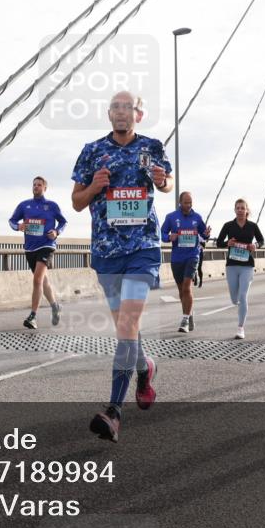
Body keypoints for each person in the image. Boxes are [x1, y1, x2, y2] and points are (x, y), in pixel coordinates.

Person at [71, 91, 173, 442]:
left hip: (142, 247)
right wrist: (94, 187)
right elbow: (76, 202)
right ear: (109, 114)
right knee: (126, 329)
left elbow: (167, 184)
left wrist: (161, 180)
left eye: (128, 107)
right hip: (106, 251)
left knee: (128, 322)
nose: (121, 112)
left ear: (138, 114)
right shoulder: (92, 151)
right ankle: (145, 368)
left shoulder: (153, 147)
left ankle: (114, 411)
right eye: (116, 107)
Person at [9, 176, 67, 329]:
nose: (36, 187)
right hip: (30, 247)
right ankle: (55, 306)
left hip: (47, 245)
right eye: (34, 184)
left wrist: (56, 231)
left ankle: (33, 316)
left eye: (39, 185)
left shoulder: (52, 205)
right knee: (43, 281)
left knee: (37, 280)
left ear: (45, 188)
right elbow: (12, 221)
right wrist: (18, 226)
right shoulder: (24, 205)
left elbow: (63, 222)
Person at [161, 191, 210, 333]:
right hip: (177, 258)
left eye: (190, 202)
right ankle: (189, 314)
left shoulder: (197, 217)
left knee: (187, 287)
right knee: (181, 291)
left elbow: (204, 234)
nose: (189, 205)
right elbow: (162, 234)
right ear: (180, 203)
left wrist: (207, 234)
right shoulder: (171, 217)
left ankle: (184, 320)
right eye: (186, 202)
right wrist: (170, 237)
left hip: (192, 256)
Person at [216, 199, 265, 340]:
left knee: (243, 296)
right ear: (234, 210)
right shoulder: (228, 225)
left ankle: (240, 328)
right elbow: (219, 243)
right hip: (232, 265)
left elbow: (261, 241)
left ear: (247, 210)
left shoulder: (252, 226)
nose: (240, 210)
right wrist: (227, 243)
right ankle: (237, 304)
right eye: (237, 208)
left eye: (242, 208)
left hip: (247, 265)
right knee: (234, 299)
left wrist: (256, 245)